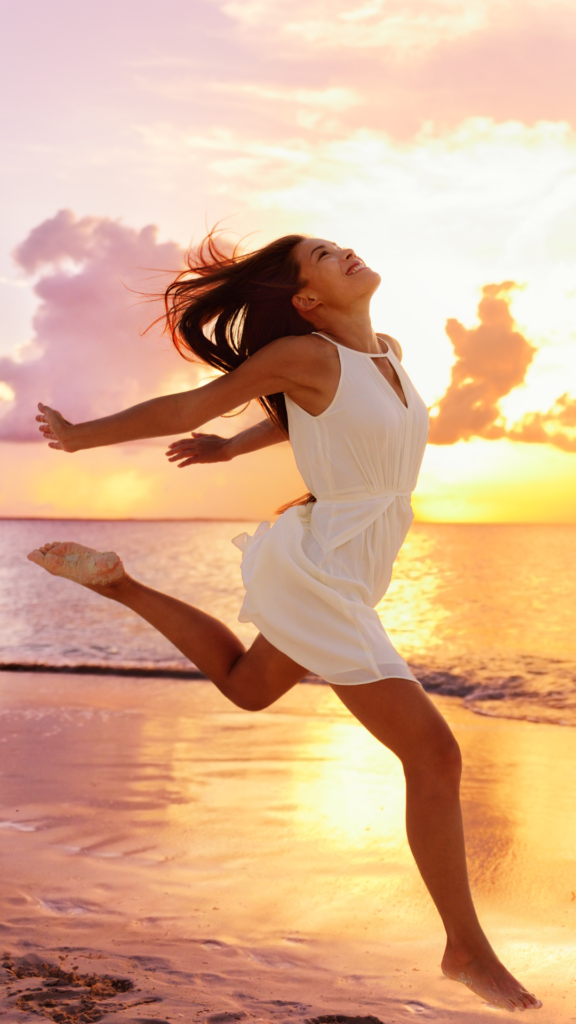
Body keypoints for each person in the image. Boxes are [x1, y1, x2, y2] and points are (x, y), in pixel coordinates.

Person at [28, 233, 541, 1013]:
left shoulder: (386, 352)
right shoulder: (300, 354)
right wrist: (79, 435)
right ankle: (465, 949)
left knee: (249, 685)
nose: (350, 254)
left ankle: (121, 584)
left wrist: (234, 450)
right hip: (327, 563)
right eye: (328, 258)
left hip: (361, 561)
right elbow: (187, 404)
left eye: (341, 246)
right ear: (305, 301)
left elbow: (322, 420)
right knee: (433, 754)